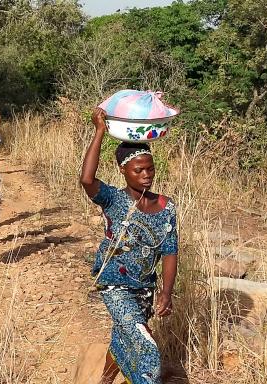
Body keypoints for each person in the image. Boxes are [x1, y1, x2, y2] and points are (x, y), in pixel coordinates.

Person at [79, 108, 178, 384]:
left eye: (150, 168)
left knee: (124, 335)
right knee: (146, 348)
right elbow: (87, 180)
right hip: (115, 284)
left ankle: (105, 380)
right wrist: (100, 130)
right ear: (124, 171)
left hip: (145, 286)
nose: (147, 175)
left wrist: (166, 293)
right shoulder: (113, 199)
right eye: (139, 170)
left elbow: (170, 250)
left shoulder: (167, 206)